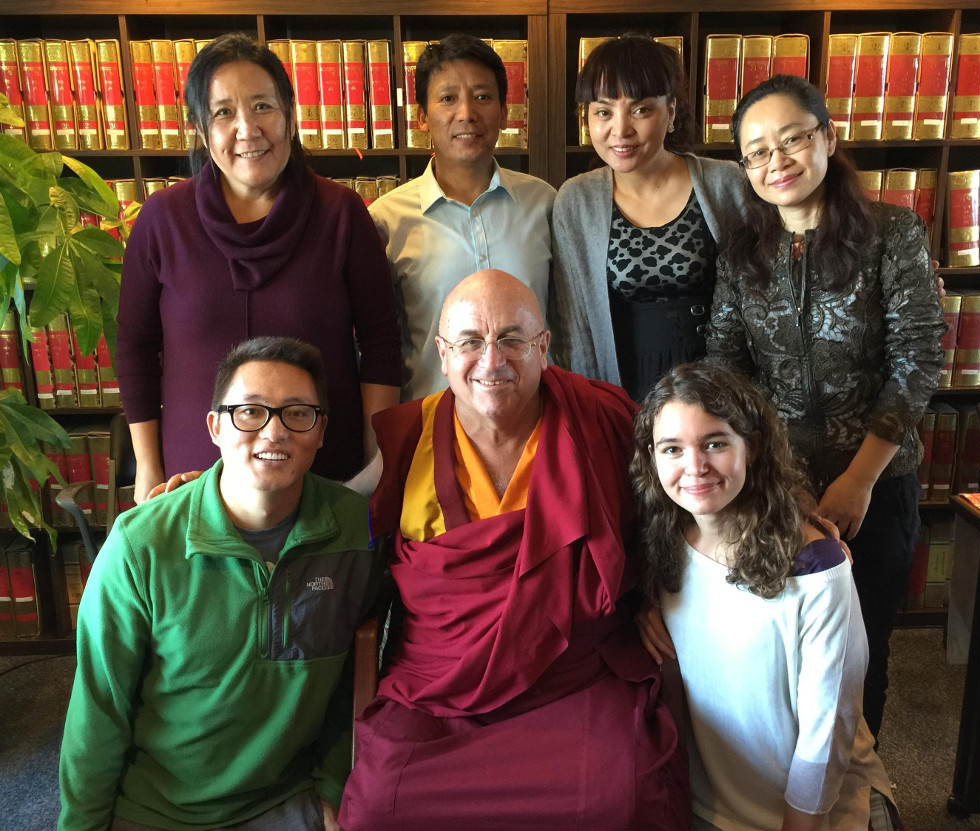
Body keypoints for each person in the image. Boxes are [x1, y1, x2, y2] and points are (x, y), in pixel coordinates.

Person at [337, 270, 692, 831]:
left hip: (574, 675)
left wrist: (787, 514)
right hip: (441, 684)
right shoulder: (412, 434)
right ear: (443, 355)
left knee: (619, 807)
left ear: (544, 348)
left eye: (511, 339)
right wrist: (216, 491)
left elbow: (686, 489)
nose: (491, 359)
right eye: (471, 341)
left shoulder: (600, 420)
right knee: (380, 809)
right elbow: (335, 511)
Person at [57, 337, 383, 831]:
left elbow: (358, 677)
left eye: (297, 413)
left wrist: (336, 785)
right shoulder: (140, 545)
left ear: (321, 430)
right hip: (158, 817)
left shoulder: (357, 530)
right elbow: (97, 716)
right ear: (215, 427)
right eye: (249, 411)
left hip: (289, 808)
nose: (273, 431)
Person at [707, 74, 946, 739]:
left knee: (863, 650)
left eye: (793, 139)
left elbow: (919, 359)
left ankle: (860, 790)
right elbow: (726, 366)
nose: (776, 161)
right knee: (780, 646)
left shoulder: (892, 233)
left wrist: (859, 479)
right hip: (775, 486)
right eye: (756, 150)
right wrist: (769, 476)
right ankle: (787, 795)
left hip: (878, 481)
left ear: (828, 138)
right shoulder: (742, 251)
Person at [117, 32, 401, 502]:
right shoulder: (163, 220)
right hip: (192, 478)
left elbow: (380, 341)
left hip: (325, 470)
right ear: (202, 130)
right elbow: (135, 347)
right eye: (224, 112)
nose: (247, 129)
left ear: (290, 117)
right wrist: (148, 468)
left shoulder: (342, 214)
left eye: (262, 106)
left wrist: (376, 461)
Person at [633, 361, 897, 831]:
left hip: (826, 806)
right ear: (652, 458)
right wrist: (640, 611)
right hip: (722, 809)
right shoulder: (661, 547)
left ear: (751, 446)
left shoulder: (817, 566)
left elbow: (829, 730)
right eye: (672, 449)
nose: (694, 467)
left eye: (715, 442)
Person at [550, 34, 744, 399]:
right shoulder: (576, 201)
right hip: (625, 382)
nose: (620, 130)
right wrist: (594, 405)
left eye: (640, 110)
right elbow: (574, 325)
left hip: (719, 379)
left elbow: (759, 295)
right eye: (603, 111)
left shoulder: (726, 183)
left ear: (670, 111)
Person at [368, 34, 555, 401]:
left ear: (504, 111)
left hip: (536, 422)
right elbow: (379, 346)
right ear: (422, 116)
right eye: (448, 98)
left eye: (483, 97)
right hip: (429, 426)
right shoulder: (386, 221)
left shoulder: (544, 204)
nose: (466, 113)